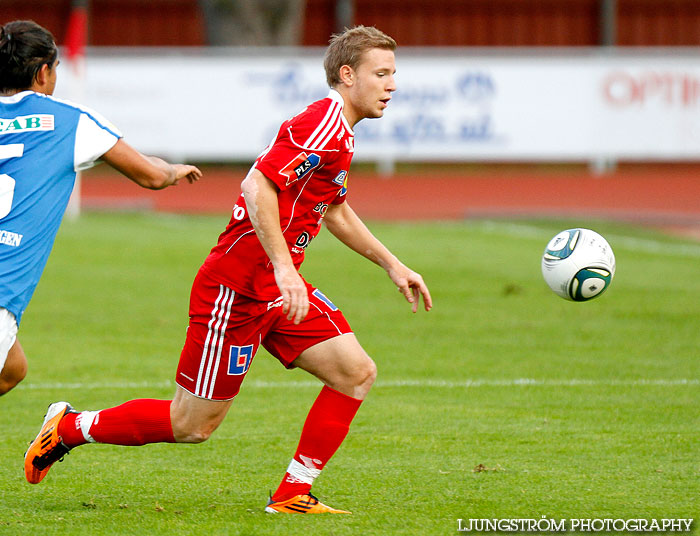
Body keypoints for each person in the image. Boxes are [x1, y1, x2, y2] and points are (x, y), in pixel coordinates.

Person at [24, 25, 431, 514]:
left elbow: (334, 209)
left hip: (277, 290)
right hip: (235, 290)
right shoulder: (321, 124)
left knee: (355, 373)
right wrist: (284, 267)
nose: (392, 85)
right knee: (191, 425)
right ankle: (69, 428)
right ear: (347, 75)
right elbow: (257, 184)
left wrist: (392, 264)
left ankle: (293, 493)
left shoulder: (339, 133)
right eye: (381, 73)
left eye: (394, 74)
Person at [0, 20, 202, 395]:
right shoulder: (70, 122)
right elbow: (150, 176)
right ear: (44, 72)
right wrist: (174, 170)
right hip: (2, 285)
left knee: (11, 369)